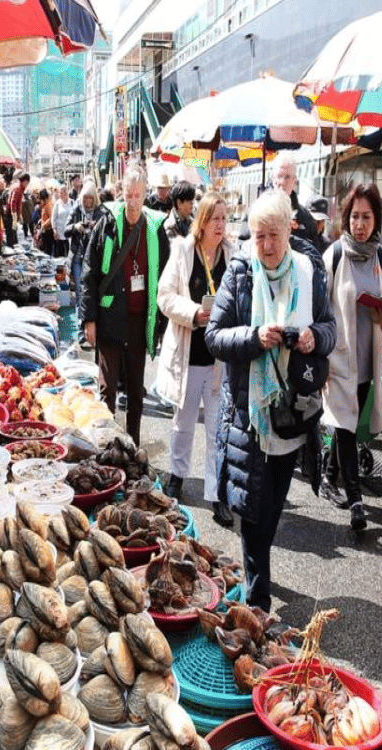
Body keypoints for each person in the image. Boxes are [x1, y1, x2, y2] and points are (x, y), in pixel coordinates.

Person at [206, 189, 336, 610]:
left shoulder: (307, 270)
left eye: (273, 235)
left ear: (289, 229)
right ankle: (258, 599)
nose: (265, 246)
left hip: (293, 412)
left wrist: (315, 337)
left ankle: (258, 576)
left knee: (274, 505)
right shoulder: (241, 272)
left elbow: (330, 328)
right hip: (252, 413)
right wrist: (253, 337)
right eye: (258, 235)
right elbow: (214, 336)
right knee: (253, 509)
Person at [155, 192, 237, 527]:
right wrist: (193, 313)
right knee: (183, 423)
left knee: (218, 429)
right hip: (189, 355)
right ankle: (177, 475)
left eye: (224, 218)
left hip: (218, 361)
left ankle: (216, 494)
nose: (221, 225)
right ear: (202, 222)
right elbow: (164, 297)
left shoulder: (233, 255)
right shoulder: (182, 251)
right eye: (215, 218)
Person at [320, 183, 382, 530]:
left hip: (367, 362)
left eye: (366, 217)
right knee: (347, 429)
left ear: (376, 219)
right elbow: (320, 308)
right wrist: (321, 357)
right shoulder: (335, 255)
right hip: (339, 360)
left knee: (346, 424)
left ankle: (328, 475)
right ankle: (356, 501)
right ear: (346, 219)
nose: (360, 224)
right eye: (354, 217)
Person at [81, 166, 170, 445]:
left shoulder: (155, 230)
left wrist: (162, 325)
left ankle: (132, 448)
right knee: (106, 390)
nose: (132, 202)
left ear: (145, 196)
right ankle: (106, 446)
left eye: (137, 196)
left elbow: (166, 279)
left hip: (139, 321)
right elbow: (89, 272)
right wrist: (89, 319)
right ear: (121, 194)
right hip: (109, 316)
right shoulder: (106, 224)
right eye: (128, 195)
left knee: (135, 392)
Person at [65, 182, 104, 343]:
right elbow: (66, 230)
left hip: (94, 259)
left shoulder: (100, 212)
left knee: (92, 292)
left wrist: (97, 228)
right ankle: (80, 329)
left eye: (90, 198)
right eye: (85, 198)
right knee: (80, 293)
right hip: (78, 257)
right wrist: (76, 227)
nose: (88, 201)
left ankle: (91, 326)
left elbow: (108, 234)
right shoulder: (76, 210)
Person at [272, 153, 324, 251]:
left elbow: (314, 252)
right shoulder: (257, 211)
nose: (282, 182)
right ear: (272, 178)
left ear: (294, 181)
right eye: (279, 176)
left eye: (287, 177)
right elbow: (244, 245)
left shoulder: (305, 216)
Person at [7, 172, 29, 246]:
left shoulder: (20, 188)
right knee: (12, 237)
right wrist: (14, 215)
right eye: (26, 182)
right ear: (23, 181)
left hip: (13, 214)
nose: (27, 184)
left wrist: (19, 215)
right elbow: (13, 202)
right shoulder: (18, 189)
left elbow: (18, 204)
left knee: (13, 236)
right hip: (11, 215)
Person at [52, 186, 73, 259]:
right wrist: (54, 230)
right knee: (59, 256)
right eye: (59, 193)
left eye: (61, 193)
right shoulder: (57, 204)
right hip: (59, 234)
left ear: (66, 193)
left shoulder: (72, 203)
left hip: (69, 234)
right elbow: (54, 218)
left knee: (68, 255)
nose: (60, 195)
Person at [37, 188, 54, 254]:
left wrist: (44, 225)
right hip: (45, 230)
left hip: (48, 231)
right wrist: (41, 220)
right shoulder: (45, 205)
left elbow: (51, 218)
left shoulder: (48, 205)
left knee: (47, 250)